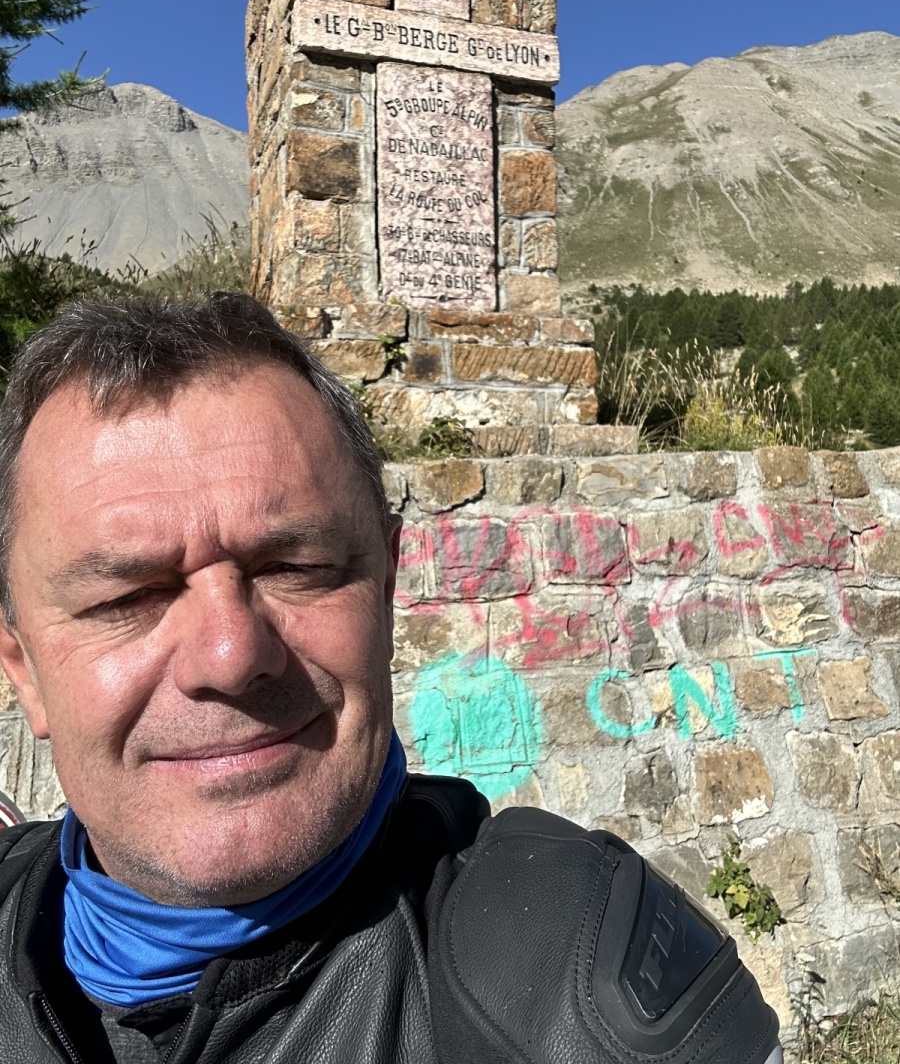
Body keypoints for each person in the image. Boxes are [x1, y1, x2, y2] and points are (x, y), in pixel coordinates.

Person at [0, 293, 782, 1064]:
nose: (232, 655)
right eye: (128, 598)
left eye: (294, 567)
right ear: (22, 669)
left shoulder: (571, 979)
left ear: (384, 590)